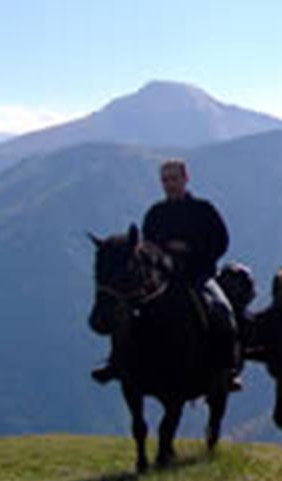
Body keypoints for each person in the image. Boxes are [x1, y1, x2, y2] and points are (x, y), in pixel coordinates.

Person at [93, 159, 241, 390]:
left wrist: (192, 251)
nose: (169, 184)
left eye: (173, 179)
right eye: (165, 180)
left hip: (198, 276)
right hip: (162, 278)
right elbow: (146, 247)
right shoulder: (155, 213)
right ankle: (117, 362)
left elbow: (220, 242)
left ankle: (227, 367)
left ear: (185, 178)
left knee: (222, 310)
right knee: (127, 312)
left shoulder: (204, 210)